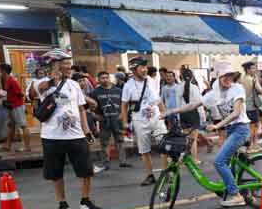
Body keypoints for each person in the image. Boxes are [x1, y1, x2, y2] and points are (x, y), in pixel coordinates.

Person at [36, 49, 103, 209]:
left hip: (76, 136)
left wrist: (87, 131)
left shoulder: (74, 84)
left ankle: (85, 201)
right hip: (52, 136)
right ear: (54, 64)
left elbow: (80, 109)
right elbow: (36, 91)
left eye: (68, 63)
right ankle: (62, 204)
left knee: (86, 171)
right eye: (64, 63)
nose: (68, 66)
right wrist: (54, 81)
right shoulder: (42, 83)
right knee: (56, 173)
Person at [202, 61, 250, 207]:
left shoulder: (237, 89)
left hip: (240, 128)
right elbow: (196, 104)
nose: (228, 78)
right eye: (224, 76)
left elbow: (236, 113)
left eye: (230, 75)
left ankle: (236, 195)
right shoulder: (216, 93)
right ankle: (244, 191)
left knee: (219, 161)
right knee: (228, 164)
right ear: (218, 77)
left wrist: (217, 126)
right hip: (230, 130)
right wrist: (171, 112)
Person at [121, 56, 168, 186]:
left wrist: (164, 112)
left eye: (145, 67)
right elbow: (124, 105)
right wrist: (125, 122)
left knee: (164, 145)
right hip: (139, 121)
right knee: (144, 150)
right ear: (134, 70)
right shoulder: (128, 86)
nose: (145, 69)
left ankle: (166, 173)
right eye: (141, 67)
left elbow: (158, 99)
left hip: (156, 118)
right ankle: (150, 175)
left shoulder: (151, 81)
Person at [85, 71, 130, 172]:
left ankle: (123, 161)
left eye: (106, 77)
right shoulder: (95, 92)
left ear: (109, 78)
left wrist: (123, 115)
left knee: (120, 141)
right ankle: (106, 163)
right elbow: (89, 108)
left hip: (117, 121)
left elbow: (125, 104)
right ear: (99, 79)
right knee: (104, 143)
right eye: (102, 78)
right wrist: (96, 116)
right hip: (104, 121)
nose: (105, 80)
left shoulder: (118, 90)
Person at [162, 68, 205, 164]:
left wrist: (178, 116)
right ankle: (194, 159)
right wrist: (203, 116)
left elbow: (178, 104)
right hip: (193, 114)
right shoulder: (194, 87)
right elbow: (200, 103)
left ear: (180, 77)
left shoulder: (178, 88)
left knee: (186, 138)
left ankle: (182, 159)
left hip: (183, 114)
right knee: (193, 139)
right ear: (192, 76)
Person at [0, 63, 32, 153]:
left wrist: (22, 106)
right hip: (11, 106)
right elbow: (6, 93)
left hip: (17, 106)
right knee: (11, 126)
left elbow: (20, 94)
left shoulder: (12, 80)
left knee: (23, 125)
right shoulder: (6, 80)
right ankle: (7, 146)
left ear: (3, 71)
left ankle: (27, 147)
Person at [241, 61, 262, 152]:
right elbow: (261, 91)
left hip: (246, 106)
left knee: (253, 126)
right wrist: (257, 80)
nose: (255, 70)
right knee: (253, 127)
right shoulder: (251, 79)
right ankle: (251, 146)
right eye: (253, 68)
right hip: (252, 105)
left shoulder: (242, 78)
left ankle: (254, 145)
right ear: (248, 69)